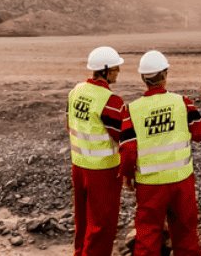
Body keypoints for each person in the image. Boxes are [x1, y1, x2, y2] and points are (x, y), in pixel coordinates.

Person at [120, 50, 201, 256]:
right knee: (186, 235)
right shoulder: (182, 102)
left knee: (148, 235)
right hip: (181, 181)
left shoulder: (132, 110)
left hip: (150, 185)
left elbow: (127, 150)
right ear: (165, 74)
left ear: (143, 78)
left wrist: (128, 176)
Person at [68, 45, 130, 256]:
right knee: (102, 225)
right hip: (103, 171)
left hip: (79, 166)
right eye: (115, 68)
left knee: (83, 219)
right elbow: (123, 136)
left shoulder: (76, 91)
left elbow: (69, 124)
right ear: (104, 70)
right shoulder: (111, 101)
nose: (118, 72)